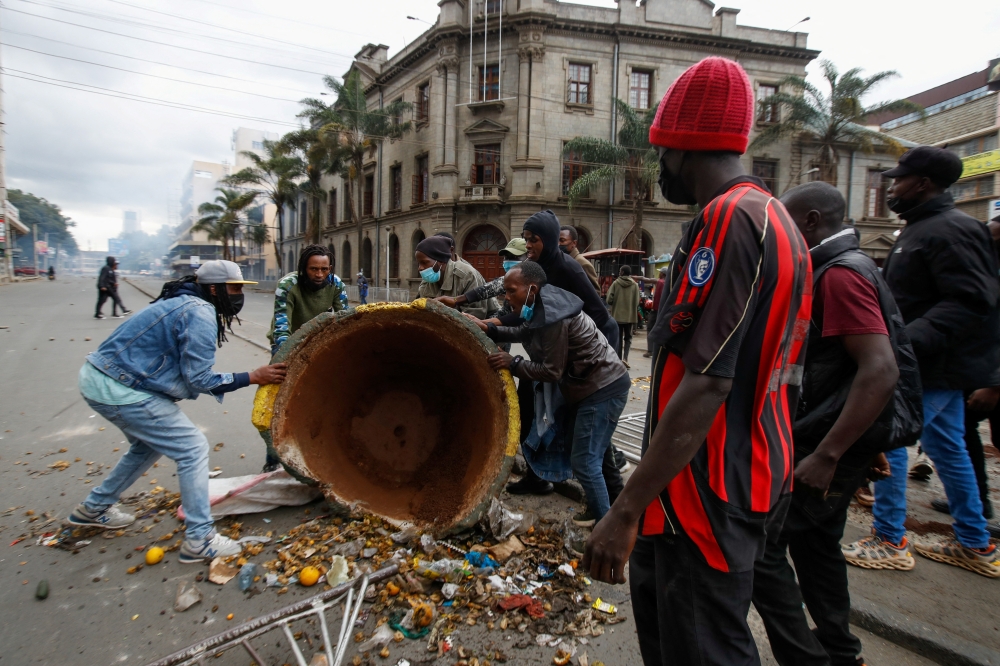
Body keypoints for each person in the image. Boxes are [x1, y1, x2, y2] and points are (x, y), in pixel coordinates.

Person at [582, 57, 812, 665]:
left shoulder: (730, 218)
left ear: (684, 144)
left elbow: (709, 382)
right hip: (727, 475)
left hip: (706, 487)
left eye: (661, 150)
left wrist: (625, 507)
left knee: (705, 649)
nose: (659, 166)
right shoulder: (776, 218)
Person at [751, 182, 922, 666]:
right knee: (817, 546)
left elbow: (880, 368)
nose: (776, 231)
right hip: (838, 436)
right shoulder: (840, 267)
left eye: (784, 220)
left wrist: (831, 453)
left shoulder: (839, 275)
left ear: (809, 222)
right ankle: (840, 650)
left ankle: (809, 658)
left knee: (762, 547)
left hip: (823, 445)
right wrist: (868, 441)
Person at [843, 146, 1000, 577]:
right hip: (935, 367)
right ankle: (974, 541)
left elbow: (972, 301)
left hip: (927, 368)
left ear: (923, 184)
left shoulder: (949, 229)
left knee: (889, 444)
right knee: (949, 447)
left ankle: (889, 539)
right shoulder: (926, 227)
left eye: (899, 180)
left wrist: (903, 344)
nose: (892, 188)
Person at [67, 260, 287, 563]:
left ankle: (94, 508)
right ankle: (200, 539)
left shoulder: (183, 301)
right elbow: (198, 379)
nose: (239, 295)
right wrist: (253, 376)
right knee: (192, 448)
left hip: (102, 378)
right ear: (214, 288)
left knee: (146, 447)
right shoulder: (199, 311)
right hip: (119, 387)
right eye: (234, 288)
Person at [471, 261, 629, 524]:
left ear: (531, 289)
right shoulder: (541, 305)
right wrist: (490, 327)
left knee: (585, 463)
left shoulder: (554, 317)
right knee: (596, 457)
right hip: (590, 386)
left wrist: (515, 364)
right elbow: (524, 330)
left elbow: (552, 371)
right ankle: (602, 509)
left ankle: (607, 530)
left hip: (602, 388)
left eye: (511, 291)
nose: (507, 298)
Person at [927, 213, 1000, 538]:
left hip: (978, 375)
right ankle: (976, 516)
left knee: (894, 441)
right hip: (960, 370)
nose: (989, 243)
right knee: (955, 441)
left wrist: (994, 382)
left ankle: (888, 535)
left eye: (994, 239)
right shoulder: (982, 272)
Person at [268, 245, 348, 356]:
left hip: (318, 342)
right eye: (313, 269)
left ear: (329, 269)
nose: (319, 274)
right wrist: (292, 355)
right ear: (304, 268)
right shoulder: (287, 285)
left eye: (324, 269)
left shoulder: (336, 284)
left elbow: (345, 319)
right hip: (287, 342)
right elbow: (282, 329)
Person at [435, 238, 527, 320]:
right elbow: (485, 291)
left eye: (514, 257)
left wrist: (485, 324)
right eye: (506, 257)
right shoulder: (508, 280)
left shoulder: (533, 281)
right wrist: (455, 300)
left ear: (528, 257)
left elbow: (515, 318)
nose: (509, 261)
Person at [415, 235, 497, 320]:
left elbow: (474, 317)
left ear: (441, 261)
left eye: (424, 262)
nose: (420, 268)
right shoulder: (426, 281)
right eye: (419, 263)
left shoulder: (467, 275)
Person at [606, 265, 640, 366]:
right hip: (630, 317)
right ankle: (625, 358)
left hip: (617, 316)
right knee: (628, 338)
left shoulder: (616, 283)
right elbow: (637, 302)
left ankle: (618, 359)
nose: (619, 272)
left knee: (619, 338)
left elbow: (609, 300)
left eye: (620, 270)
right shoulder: (634, 285)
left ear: (622, 272)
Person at [559, 225, 600, 290]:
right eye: (557, 241)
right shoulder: (561, 261)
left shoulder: (583, 264)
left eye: (562, 240)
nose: (559, 244)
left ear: (574, 243)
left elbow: (595, 292)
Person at [642, 268, 668, 358]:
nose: (659, 273)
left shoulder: (660, 282)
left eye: (660, 272)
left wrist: (635, 277)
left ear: (663, 274)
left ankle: (650, 350)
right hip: (664, 310)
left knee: (650, 328)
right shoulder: (669, 283)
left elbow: (647, 279)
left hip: (656, 310)